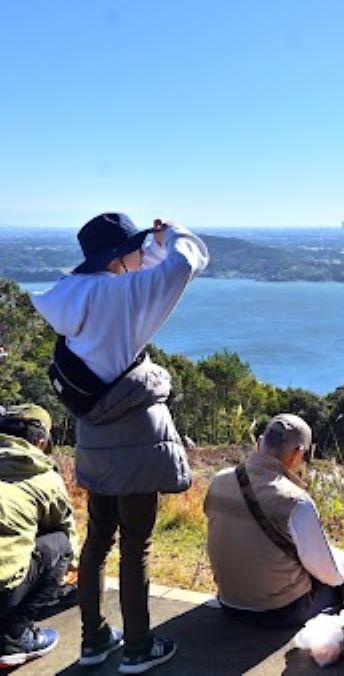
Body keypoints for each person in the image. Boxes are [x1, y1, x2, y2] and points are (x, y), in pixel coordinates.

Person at [31, 212, 208, 673]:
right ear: (116, 255)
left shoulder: (71, 294)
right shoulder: (122, 295)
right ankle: (138, 647)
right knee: (137, 544)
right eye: (133, 245)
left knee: (98, 540)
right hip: (134, 435)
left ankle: (93, 640)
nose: (141, 251)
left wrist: (145, 244)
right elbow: (185, 262)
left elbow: (133, 265)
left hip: (94, 433)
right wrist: (172, 235)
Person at [204, 414, 344, 627]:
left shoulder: (219, 479)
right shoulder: (295, 501)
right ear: (297, 453)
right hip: (276, 611)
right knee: (336, 586)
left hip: (228, 603)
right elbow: (330, 575)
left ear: (260, 442)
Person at [0, 404, 76, 668]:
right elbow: (67, 532)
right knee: (61, 545)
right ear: (40, 440)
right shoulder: (43, 476)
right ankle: (14, 636)